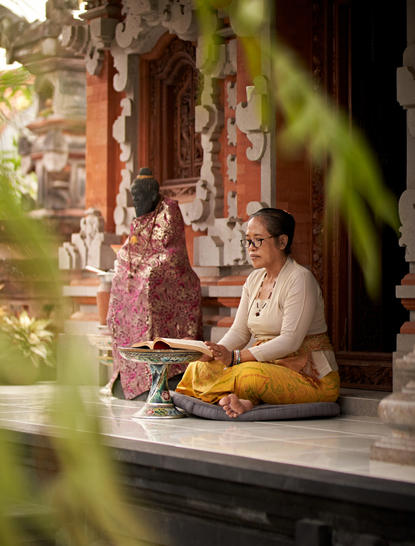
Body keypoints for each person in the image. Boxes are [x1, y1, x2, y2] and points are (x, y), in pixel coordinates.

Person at [176, 208, 340, 418]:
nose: (251, 248)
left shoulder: (300, 279)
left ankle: (233, 396)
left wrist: (235, 358)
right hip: (266, 365)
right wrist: (215, 353)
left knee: (247, 376)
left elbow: (290, 341)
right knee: (198, 368)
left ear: (282, 242)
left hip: (309, 375)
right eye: (248, 241)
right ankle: (243, 401)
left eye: (258, 240)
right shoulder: (254, 279)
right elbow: (239, 332)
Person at [107, 168, 202, 400]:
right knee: (120, 267)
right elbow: (133, 247)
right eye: (134, 198)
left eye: (140, 198)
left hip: (169, 276)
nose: (137, 203)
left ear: (152, 196)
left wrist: (143, 264)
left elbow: (171, 250)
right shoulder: (139, 220)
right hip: (141, 267)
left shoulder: (168, 211)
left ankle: (162, 371)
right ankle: (128, 372)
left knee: (152, 275)